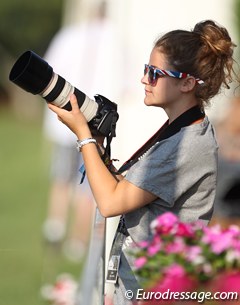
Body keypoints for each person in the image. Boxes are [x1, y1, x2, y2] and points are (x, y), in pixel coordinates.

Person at [47, 20, 237, 304]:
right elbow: (125, 187)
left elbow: (111, 202)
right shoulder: (181, 131)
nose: (144, 79)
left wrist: (83, 136)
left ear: (186, 83)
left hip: (155, 291)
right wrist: (97, 142)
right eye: (146, 70)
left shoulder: (187, 144)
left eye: (155, 73)